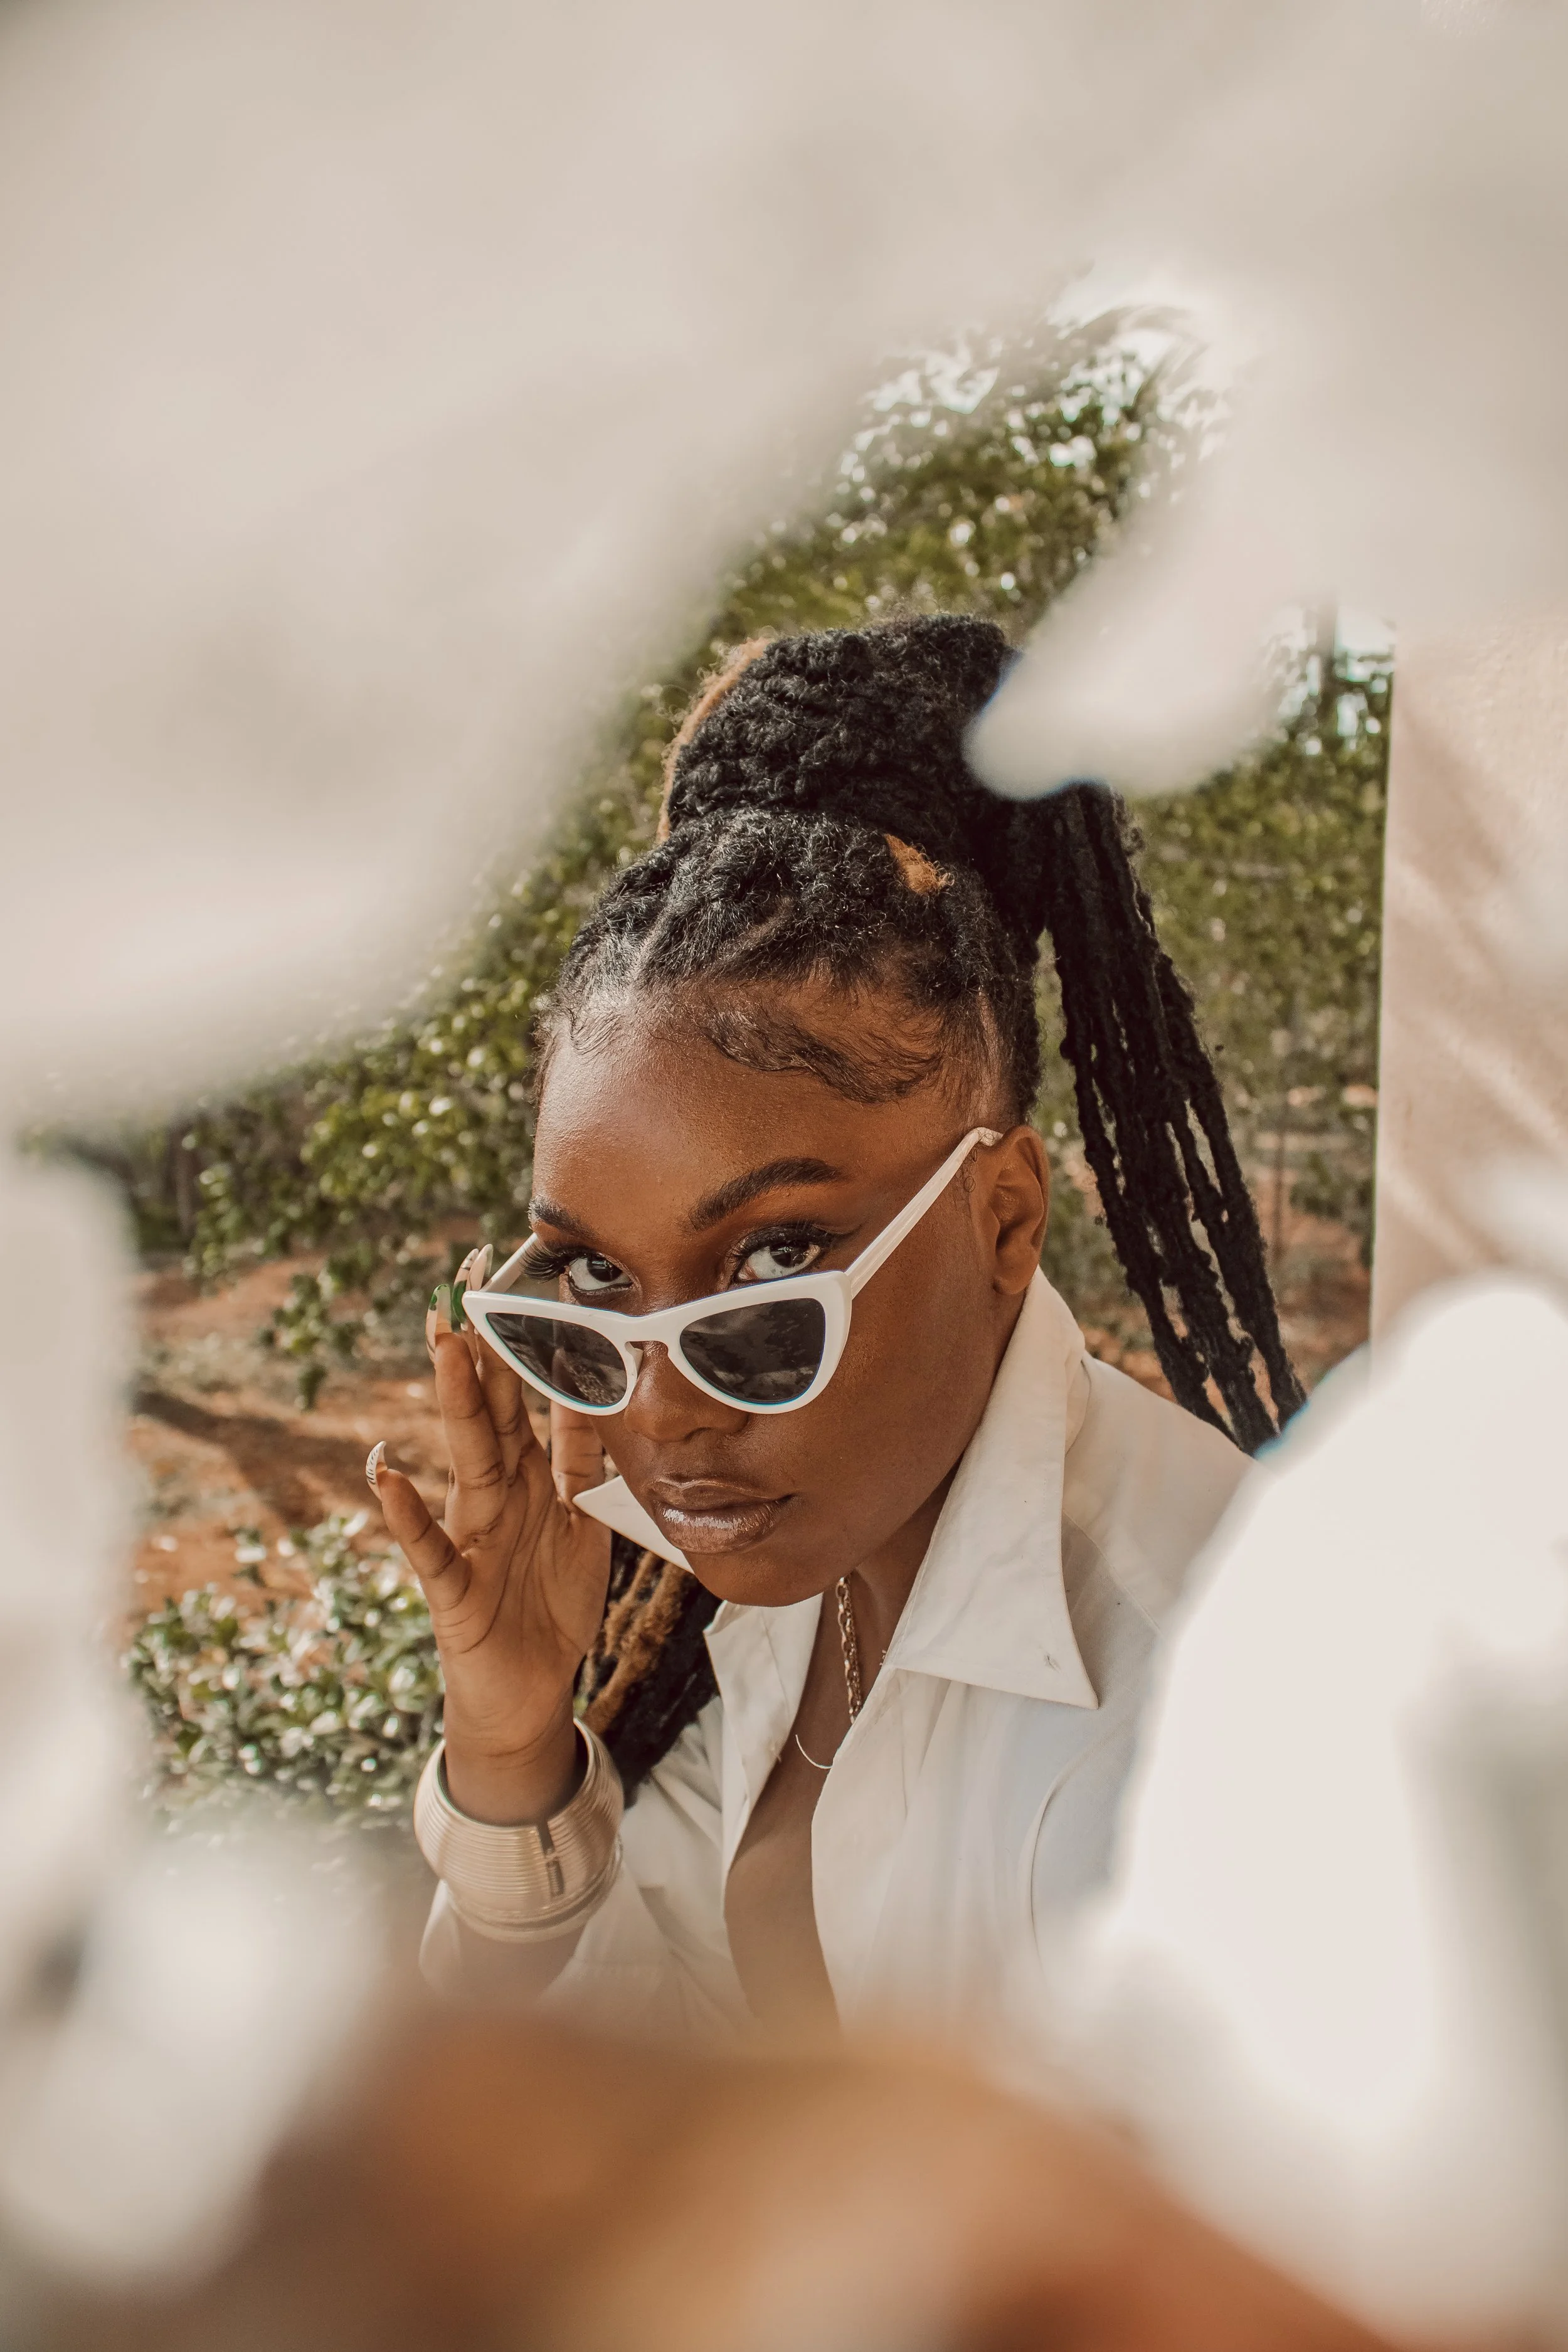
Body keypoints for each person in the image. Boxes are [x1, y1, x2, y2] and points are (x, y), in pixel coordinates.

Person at [369, 614, 1301, 2040]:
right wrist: (511, 1746)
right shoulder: (786, 1583)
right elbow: (585, 2048)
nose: (663, 1415)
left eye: (774, 1268)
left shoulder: (1201, 1731)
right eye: (595, 1287)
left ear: (1001, 1219)